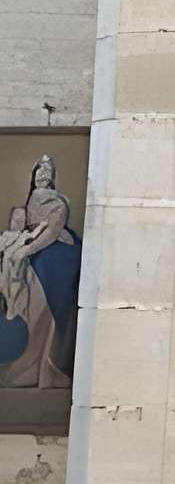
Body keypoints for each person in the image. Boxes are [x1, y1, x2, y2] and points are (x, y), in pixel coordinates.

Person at [0, 156, 81, 388]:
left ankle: (48, 365)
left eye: (48, 171)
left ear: (53, 178)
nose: (43, 174)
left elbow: (51, 233)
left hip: (56, 254)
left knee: (42, 303)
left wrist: (27, 250)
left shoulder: (58, 202)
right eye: (39, 170)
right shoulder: (31, 201)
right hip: (34, 250)